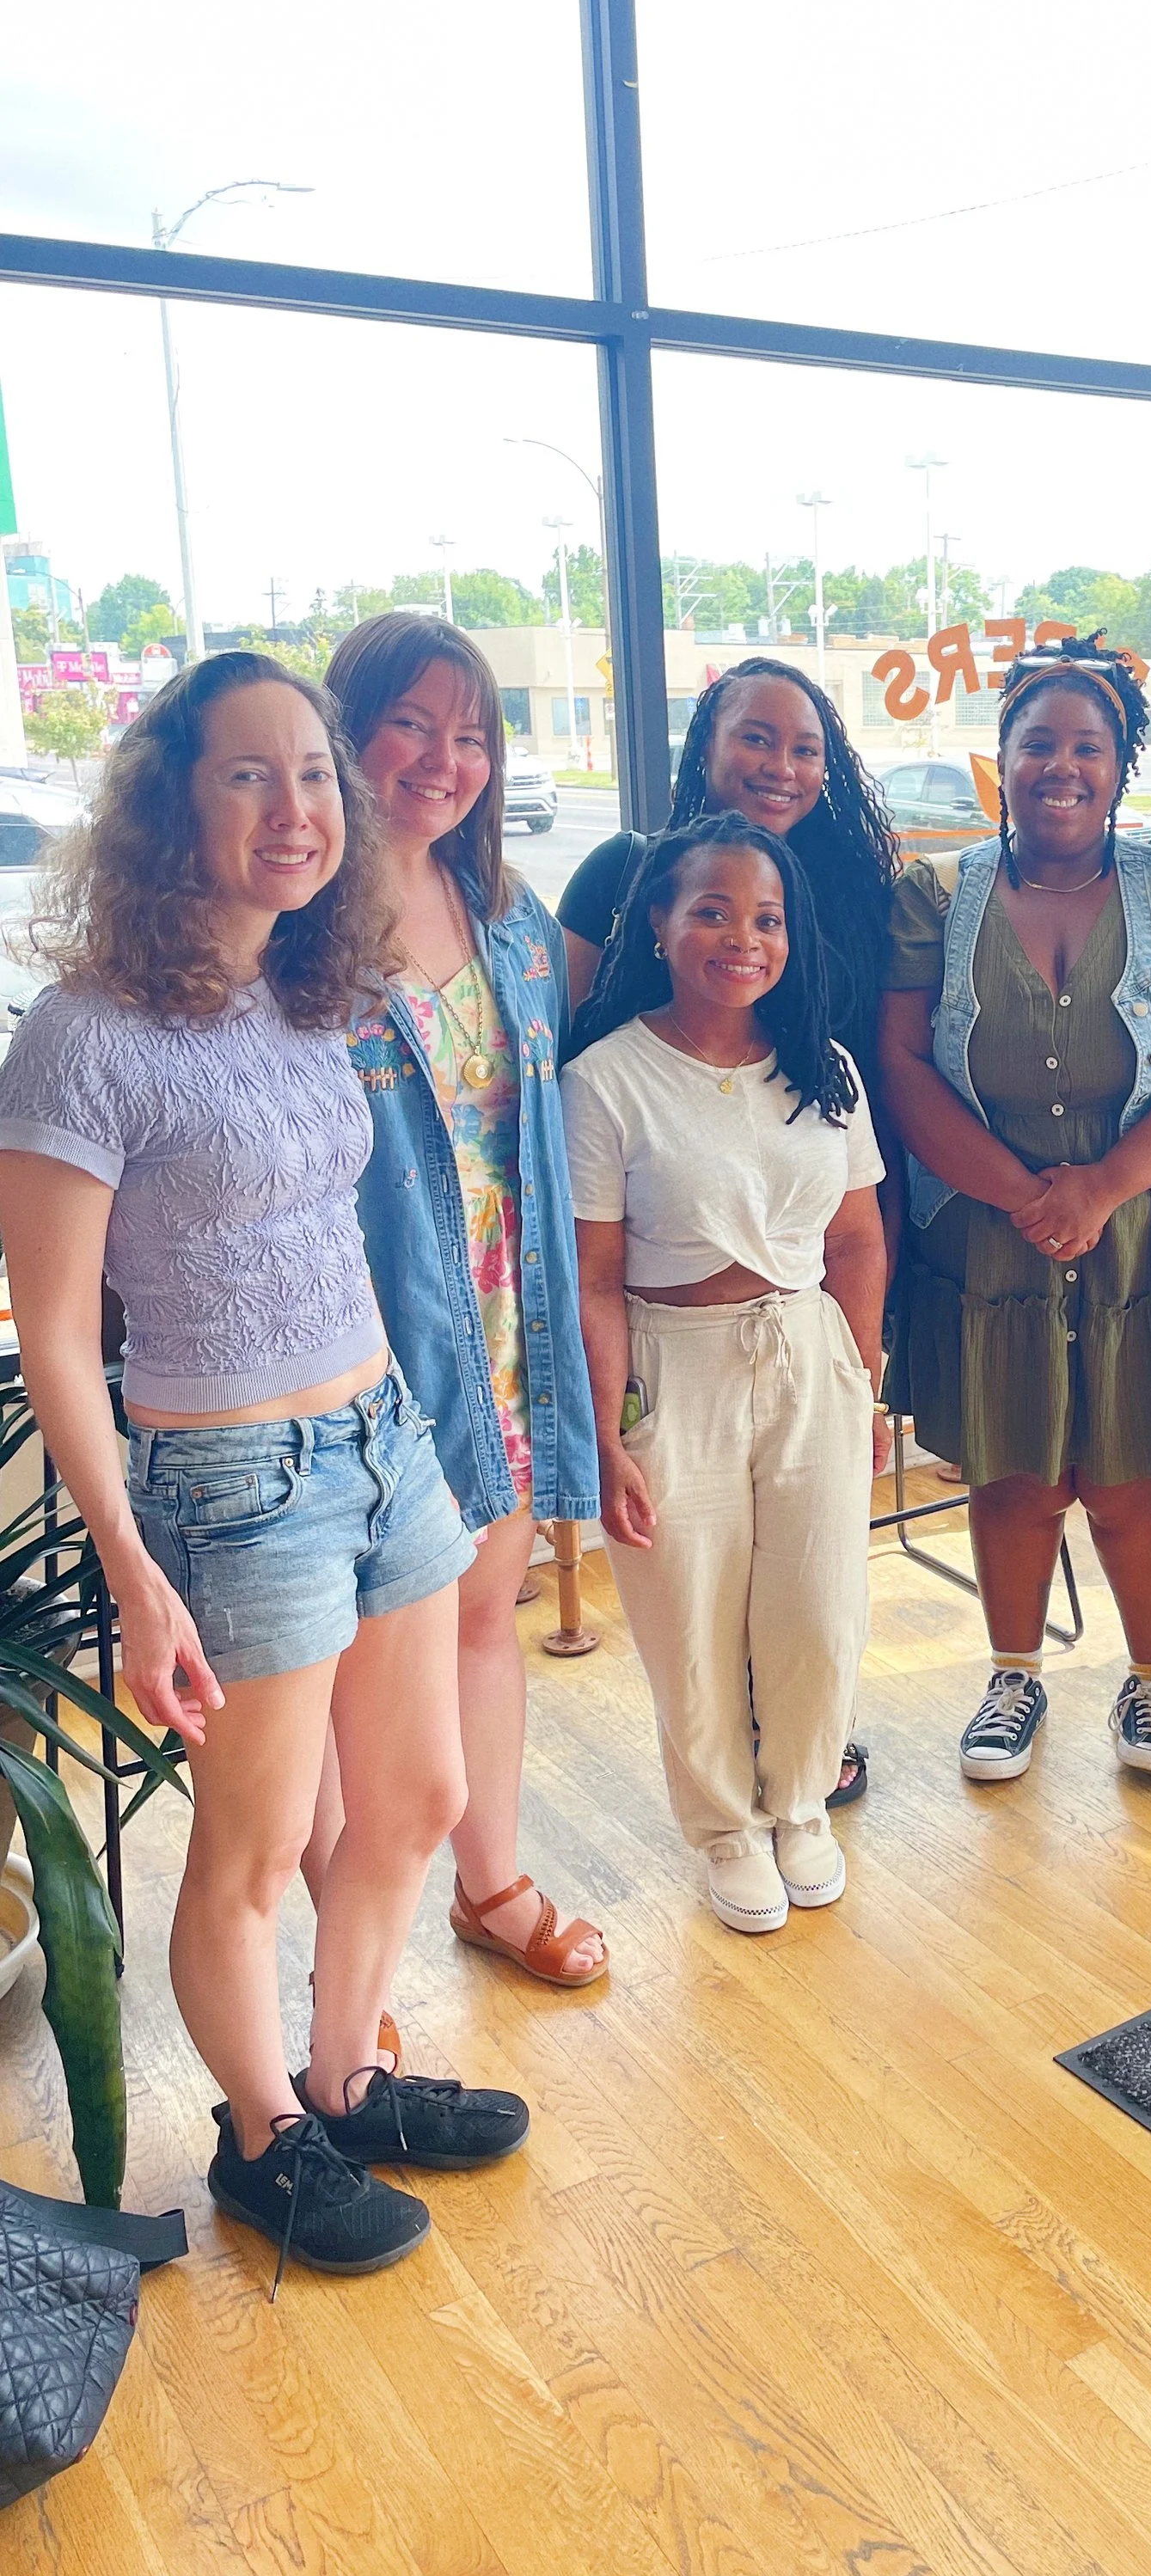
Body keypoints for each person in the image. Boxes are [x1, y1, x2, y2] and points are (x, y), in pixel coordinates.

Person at [0, 655, 527, 2287]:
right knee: (241, 1853)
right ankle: (257, 2135)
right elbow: (63, 1333)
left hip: (383, 1442)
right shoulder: (85, 1037)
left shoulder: (320, 993)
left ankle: (344, 2072)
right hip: (232, 1480)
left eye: (315, 774)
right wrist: (134, 1563)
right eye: (249, 775)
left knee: (422, 1798)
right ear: (174, 802)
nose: (297, 809)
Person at [879, 638, 1151, 1786]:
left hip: (1149, 1228)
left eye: (1088, 746)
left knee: (1137, 1472)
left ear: (1122, 766)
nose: (1062, 765)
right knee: (1012, 1469)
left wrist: (1100, 1188)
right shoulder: (935, 894)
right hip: (982, 1230)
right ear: (1000, 759)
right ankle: (1015, 1677)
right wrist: (1027, 1196)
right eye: (1037, 742)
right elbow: (903, 1067)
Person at [313, 611, 606, 1987]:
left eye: (473, 731)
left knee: (487, 1616)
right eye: (413, 724)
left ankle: (490, 1887)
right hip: (354, 1343)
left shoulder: (511, 918)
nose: (447, 757)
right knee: (345, 1676)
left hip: (504, 1321)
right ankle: (346, 1980)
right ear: (345, 733)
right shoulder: (291, 930)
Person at [560, 656, 900, 1808]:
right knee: (698, 1567)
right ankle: (727, 1798)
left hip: (811, 1197)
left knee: (809, 1564)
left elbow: (866, 1073)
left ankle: (799, 1766)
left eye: (804, 746)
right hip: (665, 1210)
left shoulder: (847, 885)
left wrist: (862, 1341)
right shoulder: (625, 875)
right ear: (708, 740)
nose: (781, 765)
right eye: (758, 738)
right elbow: (572, 1036)